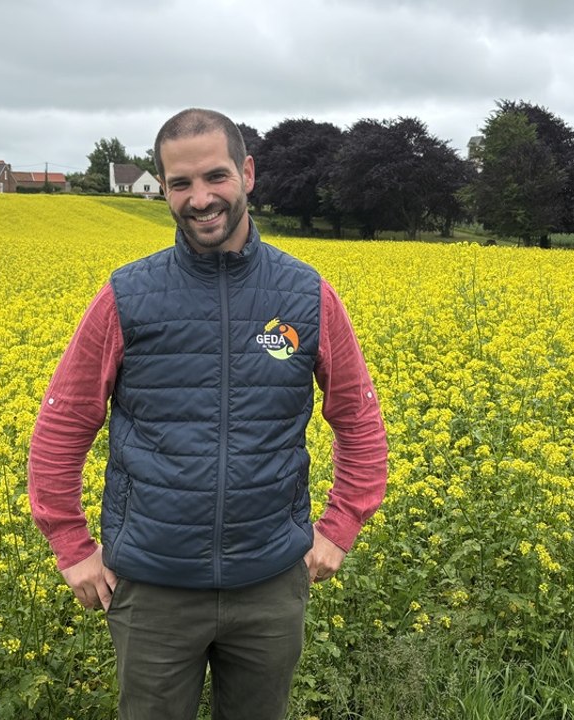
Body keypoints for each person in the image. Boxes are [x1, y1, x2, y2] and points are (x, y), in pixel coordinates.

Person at [28, 108, 388, 720]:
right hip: (153, 588)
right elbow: (62, 426)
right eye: (179, 184)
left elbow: (358, 416)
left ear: (246, 173)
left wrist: (340, 525)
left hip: (269, 583)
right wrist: (70, 542)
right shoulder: (127, 296)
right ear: (163, 188)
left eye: (215, 176)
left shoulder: (304, 293)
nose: (200, 199)